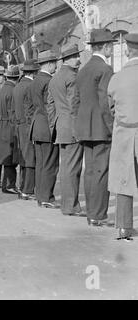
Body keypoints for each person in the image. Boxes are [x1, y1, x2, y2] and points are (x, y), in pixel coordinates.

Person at [76, 29, 116, 227]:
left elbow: (76, 101)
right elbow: (106, 103)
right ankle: (98, 215)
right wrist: (112, 128)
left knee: (90, 171)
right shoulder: (106, 69)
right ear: (106, 46)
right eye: (111, 45)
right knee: (101, 172)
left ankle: (91, 212)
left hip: (85, 128)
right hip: (101, 129)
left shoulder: (83, 70)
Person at [48, 44, 86, 216]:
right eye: (76, 56)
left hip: (61, 126)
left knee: (66, 167)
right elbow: (74, 105)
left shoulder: (55, 78)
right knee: (73, 168)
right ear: (69, 59)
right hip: (73, 127)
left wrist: (53, 126)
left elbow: (50, 106)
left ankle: (67, 204)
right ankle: (71, 206)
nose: (79, 59)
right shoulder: (73, 77)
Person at [107, 33, 138, 240]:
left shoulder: (116, 78)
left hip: (124, 132)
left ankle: (124, 227)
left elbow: (111, 109)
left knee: (124, 180)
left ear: (127, 51)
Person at [28, 50, 59, 209]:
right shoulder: (49, 81)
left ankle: (40, 196)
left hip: (37, 125)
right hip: (48, 126)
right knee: (50, 164)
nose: (56, 65)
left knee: (40, 163)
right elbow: (50, 106)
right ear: (48, 64)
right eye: (54, 62)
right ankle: (47, 197)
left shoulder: (33, 81)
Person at [13, 59, 40, 200]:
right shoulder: (30, 86)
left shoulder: (17, 86)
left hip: (19, 125)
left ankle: (22, 186)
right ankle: (28, 190)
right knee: (30, 158)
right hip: (28, 126)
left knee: (23, 157)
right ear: (34, 72)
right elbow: (31, 108)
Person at [0, 65, 20, 194]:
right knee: (11, 157)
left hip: (1, 124)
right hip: (10, 125)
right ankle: (9, 184)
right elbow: (14, 112)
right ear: (16, 77)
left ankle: (7, 183)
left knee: (5, 155)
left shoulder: (0, 91)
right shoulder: (13, 91)